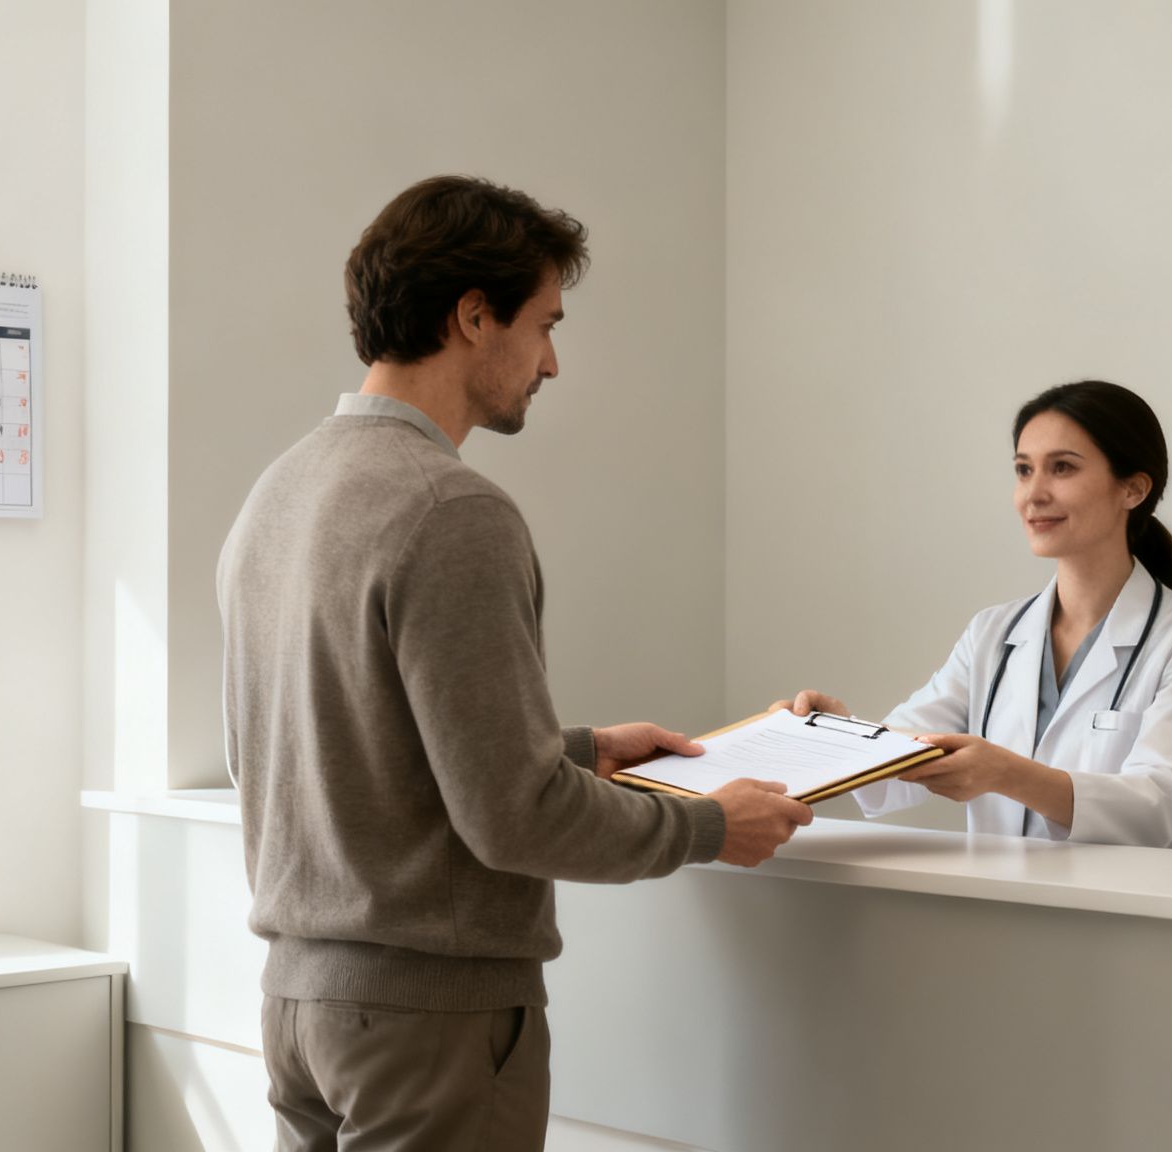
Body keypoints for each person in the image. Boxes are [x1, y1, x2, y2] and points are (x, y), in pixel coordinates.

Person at [217, 174, 811, 1151]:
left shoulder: (278, 493)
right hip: (429, 1028)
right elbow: (511, 818)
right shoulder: (450, 511)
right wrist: (709, 827)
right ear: (472, 316)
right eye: (543, 324)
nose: (552, 362)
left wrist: (574, 748)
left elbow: (327, 742)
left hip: (299, 1009)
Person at [775, 380, 1172, 849]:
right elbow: (903, 757)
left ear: (1133, 489)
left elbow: (1158, 809)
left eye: (1062, 468)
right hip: (1006, 907)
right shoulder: (993, 634)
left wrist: (1007, 775)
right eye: (1023, 470)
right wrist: (834, 731)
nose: (1032, 495)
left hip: (1135, 914)